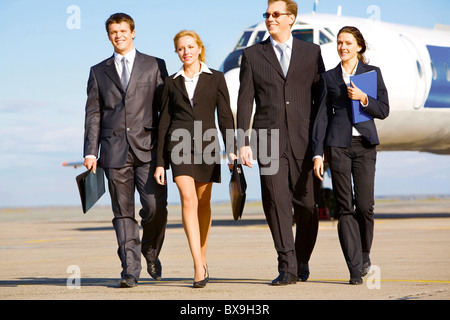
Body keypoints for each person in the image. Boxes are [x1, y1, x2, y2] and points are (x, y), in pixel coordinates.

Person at [237, 0, 326, 286]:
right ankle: (286, 266)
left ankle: (301, 259)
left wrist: (321, 143)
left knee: (308, 205)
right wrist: (243, 141)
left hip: (305, 139)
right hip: (268, 138)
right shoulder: (252, 55)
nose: (270, 19)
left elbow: (321, 100)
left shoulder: (311, 53)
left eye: (276, 14)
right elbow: (244, 101)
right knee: (276, 202)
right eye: (267, 15)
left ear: (291, 18)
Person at [83, 13, 169, 288]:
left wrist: (166, 150)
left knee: (155, 207)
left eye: (123, 30)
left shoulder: (155, 65)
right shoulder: (98, 71)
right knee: (123, 212)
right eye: (113, 32)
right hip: (113, 149)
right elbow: (93, 113)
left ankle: (150, 249)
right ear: (109, 36)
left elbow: (164, 110)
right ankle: (130, 269)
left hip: (149, 148)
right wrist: (90, 151)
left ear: (133, 33)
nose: (118, 35)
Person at [154, 30, 236, 288]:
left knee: (203, 202)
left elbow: (225, 117)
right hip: (177, 147)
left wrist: (231, 147)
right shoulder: (170, 82)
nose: (186, 52)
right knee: (187, 198)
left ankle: (202, 256)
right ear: (177, 52)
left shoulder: (216, 78)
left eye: (190, 47)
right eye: (181, 48)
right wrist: (159, 162)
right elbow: (163, 122)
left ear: (199, 48)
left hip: (207, 145)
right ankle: (197, 265)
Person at [312, 26, 389, 284]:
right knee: (345, 208)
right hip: (338, 146)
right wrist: (318, 154)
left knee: (365, 206)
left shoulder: (372, 73)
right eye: (339, 43)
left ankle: (365, 253)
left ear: (359, 46)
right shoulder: (329, 77)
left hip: (365, 145)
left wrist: (364, 98)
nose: (342, 47)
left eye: (348, 43)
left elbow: (384, 110)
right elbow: (321, 117)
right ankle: (354, 269)